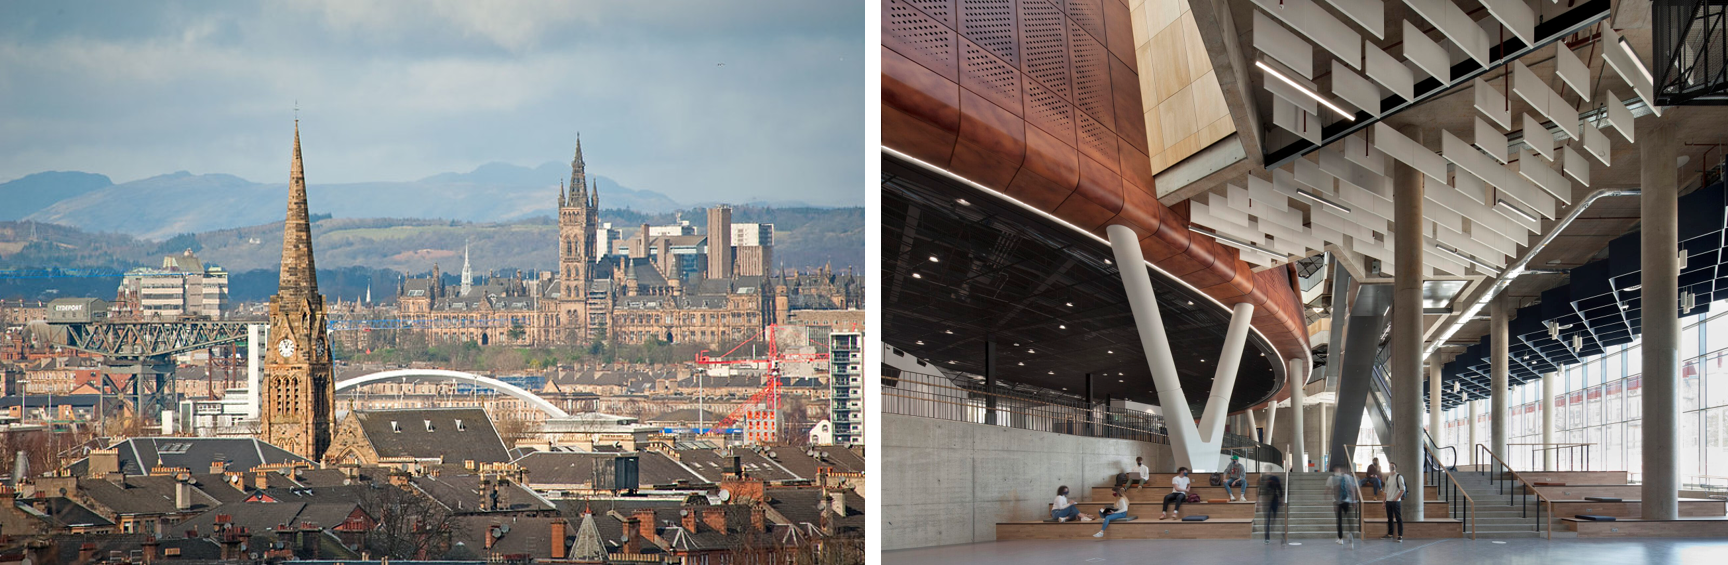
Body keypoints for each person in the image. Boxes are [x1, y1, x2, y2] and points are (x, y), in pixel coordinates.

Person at [1325, 463, 1360, 545]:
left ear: (1334, 469)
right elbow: (1351, 489)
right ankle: (1350, 534)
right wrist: (1354, 501)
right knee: (1349, 520)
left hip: (1337, 502)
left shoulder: (1331, 478)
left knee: (1339, 520)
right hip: (1347, 501)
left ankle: (1340, 538)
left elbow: (1327, 490)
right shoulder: (1346, 476)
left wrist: (1327, 497)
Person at [1381, 462, 1406, 542]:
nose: (1390, 467)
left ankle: (1400, 536)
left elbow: (1402, 489)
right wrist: (1383, 502)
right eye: (1389, 466)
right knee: (1390, 518)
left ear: (1395, 467)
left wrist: (1396, 499)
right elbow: (1386, 491)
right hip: (1388, 501)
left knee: (1398, 518)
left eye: (1392, 465)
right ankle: (1390, 534)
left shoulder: (1399, 477)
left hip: (1396, 502)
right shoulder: (1387, 478)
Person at [1258, 472, 1283, 543]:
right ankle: (1267, 537)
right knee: (1267, 519)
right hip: (1266, 501)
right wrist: (1259, 501)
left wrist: (1281, 498)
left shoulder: (1274, 478)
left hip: (1273, 499)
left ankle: (1272, 533)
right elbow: (1260, 491)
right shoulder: (1263, 480)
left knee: (1273, 517)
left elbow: (1279, 489)